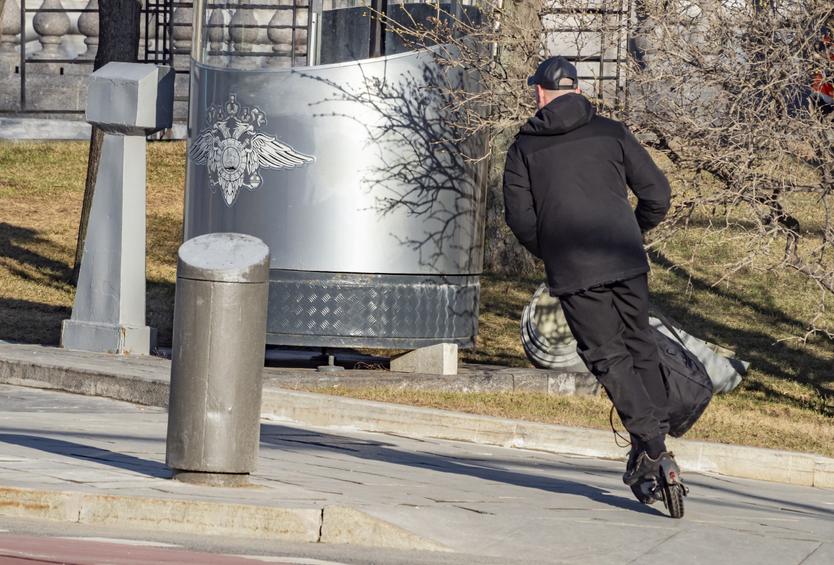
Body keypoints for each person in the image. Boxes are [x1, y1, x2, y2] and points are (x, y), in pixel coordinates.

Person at [502, 56, 674, 487]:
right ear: (577, 90)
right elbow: (658, 193)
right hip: (624, 257)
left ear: (540, 93)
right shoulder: (612, 132)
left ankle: (653, 447)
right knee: (639, 342)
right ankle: (654, 442)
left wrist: (554, 252)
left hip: (575, 269)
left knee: (608, 356)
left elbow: (520, 219)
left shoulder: (524, 148)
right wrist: (632, 232)